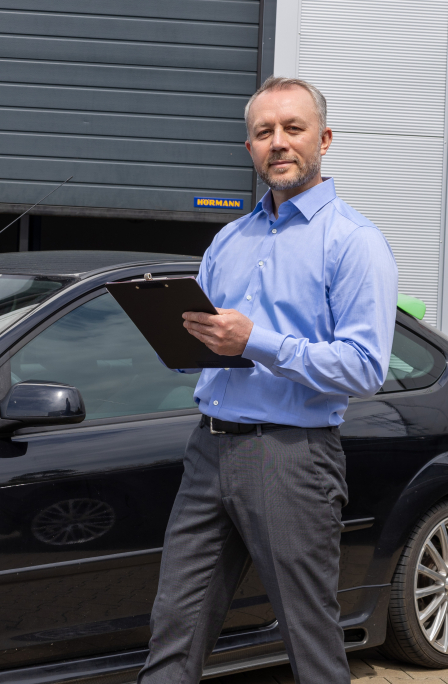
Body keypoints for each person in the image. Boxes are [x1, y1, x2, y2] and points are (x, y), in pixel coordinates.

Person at [137, 76, 398, 684]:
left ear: (323, 139)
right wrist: (174, 335)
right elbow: (206, 346)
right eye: (263, 132)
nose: (278, 142)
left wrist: (254, 341)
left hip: (291, 456)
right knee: (173, 632)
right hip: (208, 451)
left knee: (309, 641)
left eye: (293, 128)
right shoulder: (228, 239)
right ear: (249, 148)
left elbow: (364, 366)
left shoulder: (354, 242)